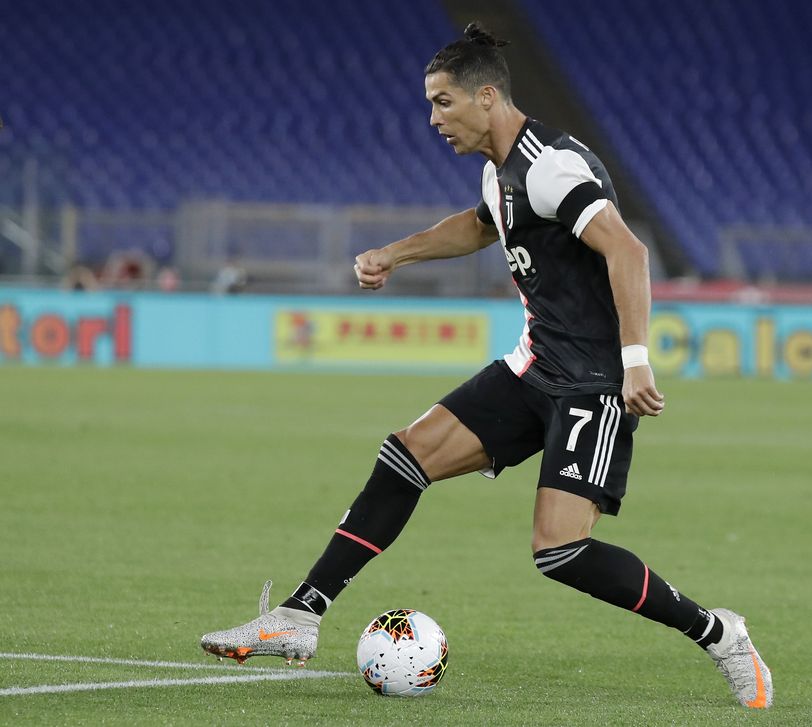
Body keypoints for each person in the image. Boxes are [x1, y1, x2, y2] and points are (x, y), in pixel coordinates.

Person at [201, 23, 773, 709]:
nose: (433, 118)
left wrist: (636, 362)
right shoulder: (500, 171)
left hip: (592, 383)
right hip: (534, 366)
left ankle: (718, 631)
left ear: (486, 96)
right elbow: (479, 225)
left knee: (559, 551)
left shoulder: (553, 167)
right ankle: (300, 614)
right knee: (405, 454)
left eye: (442, 102)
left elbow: (629, 252)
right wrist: (396, 254)